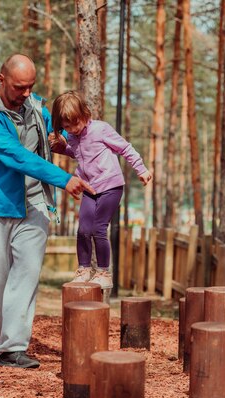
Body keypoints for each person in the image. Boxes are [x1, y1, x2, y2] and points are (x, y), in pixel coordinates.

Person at [0, 55, 95, 369]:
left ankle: (12, 349)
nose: (26, 93)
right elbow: (16, 157)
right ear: (1, 79)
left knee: (26, 273)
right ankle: (5, 345)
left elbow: (60, 134)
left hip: (34, 202)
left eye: (31, 87)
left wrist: (64, 140)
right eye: (19, 87)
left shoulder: (36, 108)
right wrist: (65, 179)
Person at [49, 90, 152, 296]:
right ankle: (84, 269)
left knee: (98, 229)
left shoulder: (101, 129)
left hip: (111, 186)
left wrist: (141, 169)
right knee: (83, 229)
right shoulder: (72, 136)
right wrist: (61, 148)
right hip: (90, 188)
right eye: (66, 126)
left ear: (85, 115)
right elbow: (79, 153)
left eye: (75, 123)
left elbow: (125, 148)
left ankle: (103, 272)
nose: (72, 129)